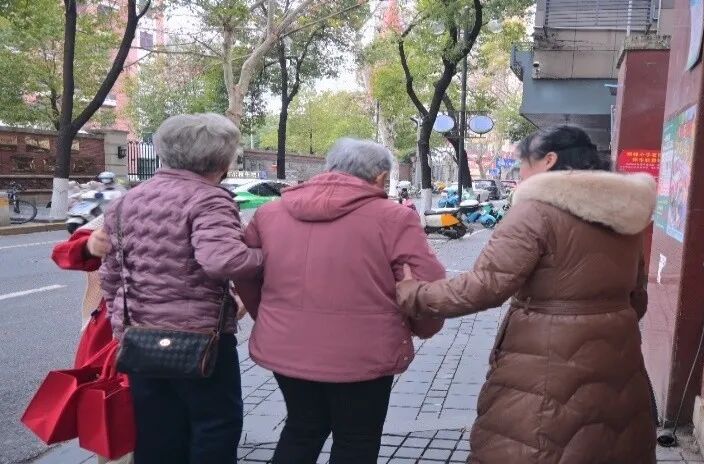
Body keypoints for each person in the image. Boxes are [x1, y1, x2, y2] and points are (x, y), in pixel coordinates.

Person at [396, 125, 658, 463]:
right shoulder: (625, 214)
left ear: (549, 160)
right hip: (619, 354)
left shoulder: (536, 211)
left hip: (545, 359)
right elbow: (638, 297)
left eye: (523, 163)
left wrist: (414, 294)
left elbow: (486, 286)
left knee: (537, 443)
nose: (520, 173)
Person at [235, 138, 445, 464]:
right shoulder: (394, 218)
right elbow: (426, 285)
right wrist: (424, 328)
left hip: (285, 345)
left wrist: (268, 318)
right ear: (379, 177)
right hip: (363, 353)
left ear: (329, 168)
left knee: (302, 428)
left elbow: (247, 274)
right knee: (356, 438)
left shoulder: (269, 213)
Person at [98, 113, 263, 464]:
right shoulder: (209, 199)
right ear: (220, 160)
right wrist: (266, 255)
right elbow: (223, 261)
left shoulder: (126, 202)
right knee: (214, 427)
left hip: (140, 339)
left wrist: (120, 327)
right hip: (200, 340)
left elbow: (111, 275)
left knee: (156, 431)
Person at [50, 216, 131, 464]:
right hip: (113, 337)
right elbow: (65, 253)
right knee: (115, 419)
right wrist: (89, 246)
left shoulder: (210, 207)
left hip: (181, 338)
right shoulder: (125, 209)